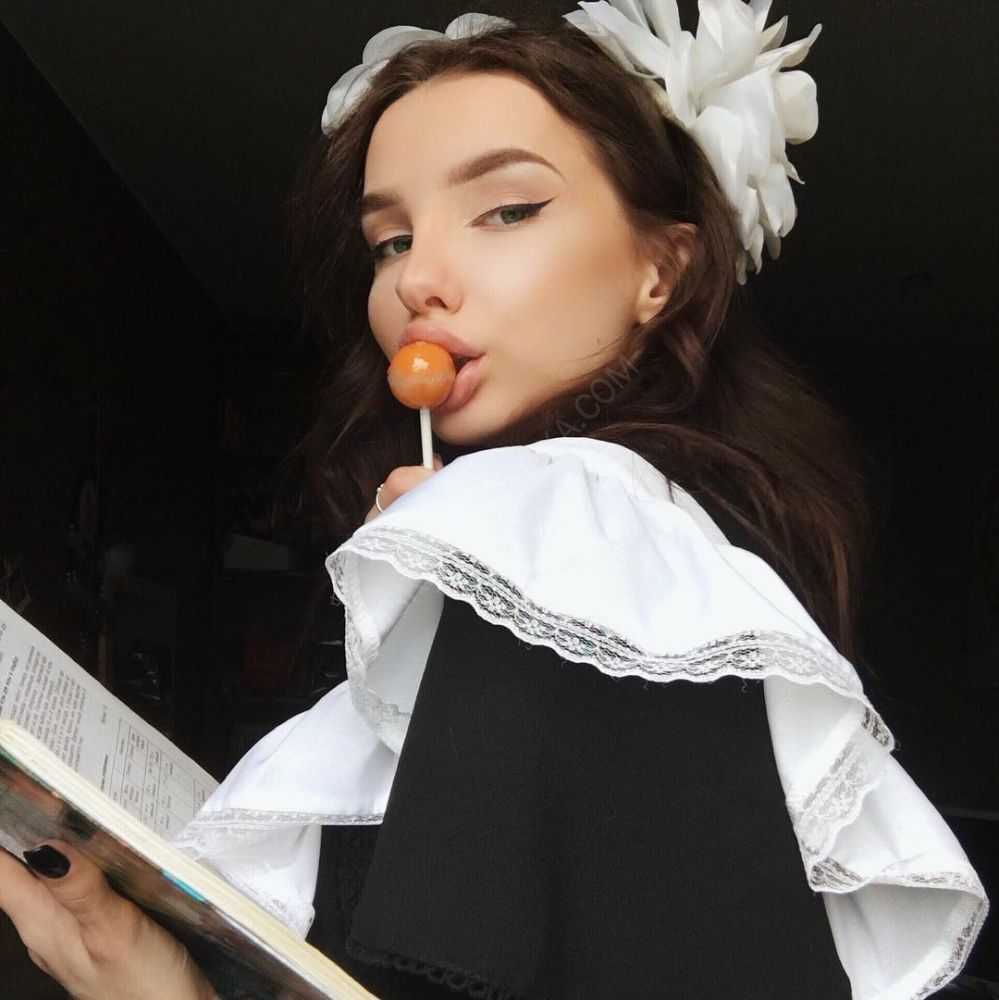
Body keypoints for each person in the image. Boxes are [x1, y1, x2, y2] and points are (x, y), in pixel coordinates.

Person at [0, 5, 988, 999]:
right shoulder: (637, 567)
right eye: (389, 241)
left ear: (661, 269)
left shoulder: (580, 515)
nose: (417, 281)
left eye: (508, 210)